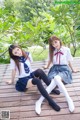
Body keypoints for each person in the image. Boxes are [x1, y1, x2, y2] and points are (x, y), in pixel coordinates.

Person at [6, 44, 60, 114]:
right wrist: (12, 81)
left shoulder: (27, 54)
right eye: (15, 53)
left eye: (18, 50)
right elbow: (14, 71)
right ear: (13, 55)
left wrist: (36, 73)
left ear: (20, 48)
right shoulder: (13, 60)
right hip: (23, 80)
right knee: (37, 81)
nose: (18, 52)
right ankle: (50, 101)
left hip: (30, 74)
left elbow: (29, 67)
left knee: (40, 71)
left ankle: (51, 88)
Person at [35, 35, 79, 114]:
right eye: (53, 44)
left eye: (56, 42)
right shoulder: (52, 51)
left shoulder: (66, 50)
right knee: (55, 80)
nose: (55, 45)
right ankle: (68, 99)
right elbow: (50, 61)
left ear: (59, 40)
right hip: (55, 69)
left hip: (64, 69)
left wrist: (73, 70)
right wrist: (47, 66)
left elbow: (69, 61)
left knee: (56, 79)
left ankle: (39, 101)